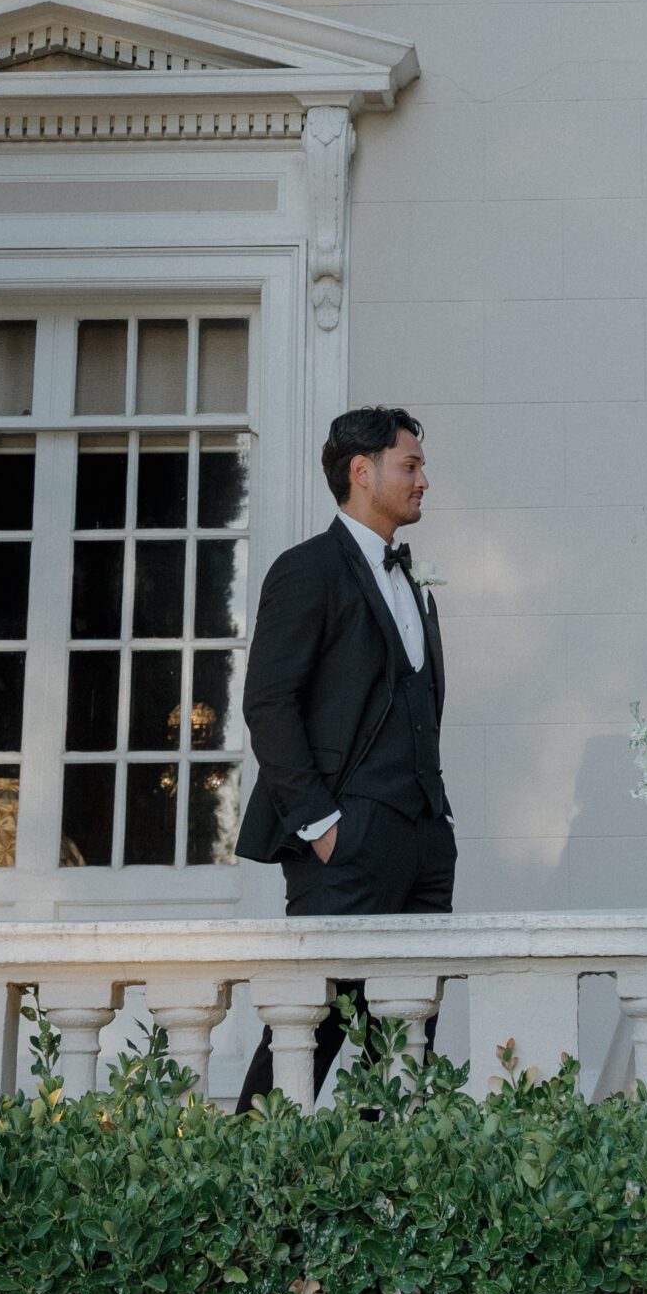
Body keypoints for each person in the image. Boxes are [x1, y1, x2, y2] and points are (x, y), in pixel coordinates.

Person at [235, 406, 451, 1108]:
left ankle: (388, 1204)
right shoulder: (307, 570)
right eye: (410, 466)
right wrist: (323, 826)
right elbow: (268, 703)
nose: (424, 481)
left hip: (422, 842)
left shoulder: (408, 576)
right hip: (347, 843)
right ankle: (247, 1199)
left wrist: (431, 829)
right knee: (307, 1036)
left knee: (406, 1047)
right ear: (363, 472)